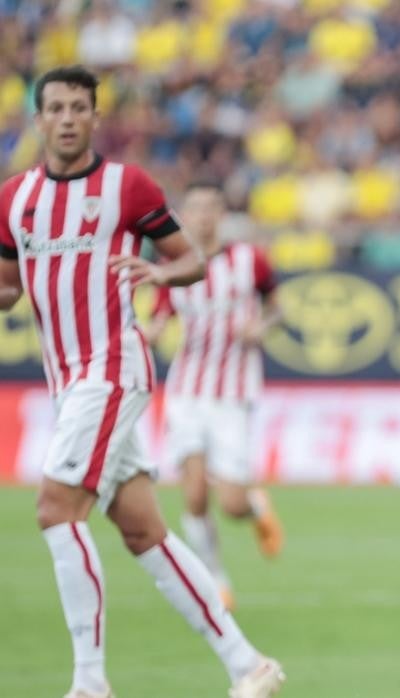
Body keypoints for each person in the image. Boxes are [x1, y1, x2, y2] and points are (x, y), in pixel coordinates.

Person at [0, 66, 285, 698]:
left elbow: (191, 259)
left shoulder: (127, 187)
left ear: (95, 117)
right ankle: (247, 664)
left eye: (79, 107)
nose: (68, 117)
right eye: (56, 108)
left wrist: (158, 275)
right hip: (66, 379)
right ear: (39, 118)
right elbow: (6, 290)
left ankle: (88, 683)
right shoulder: (14, 198)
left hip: (113, 366)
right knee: (142, 531)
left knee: (56, 509)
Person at [148, 180, 286, 613]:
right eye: (195, 209)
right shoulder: (173, 264)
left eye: (211, 208)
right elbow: (159, 316)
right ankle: (215, 580)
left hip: (233, 394)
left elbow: (277, 307)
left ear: (221, 215)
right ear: (184, 216)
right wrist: (145, 336)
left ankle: (255, 504)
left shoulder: (250, 261)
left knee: (230, 503)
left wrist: (261, 328)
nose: (203, 216)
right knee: (191, 496)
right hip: (187, 391)